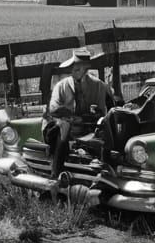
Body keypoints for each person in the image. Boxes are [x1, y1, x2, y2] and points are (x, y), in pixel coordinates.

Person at [43, 48, 114, 179]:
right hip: (64, 129)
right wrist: (67, 114)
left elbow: (110, 109)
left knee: (107, 127)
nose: (78, 71)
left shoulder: (99, 86)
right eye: (75, 68)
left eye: (82, 69)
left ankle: (107, 173)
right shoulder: (62, 86)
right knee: (63, 126)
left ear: (85, 70)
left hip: (90, 128)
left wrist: (97, 113)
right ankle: (56, 173)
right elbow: (52, 108)